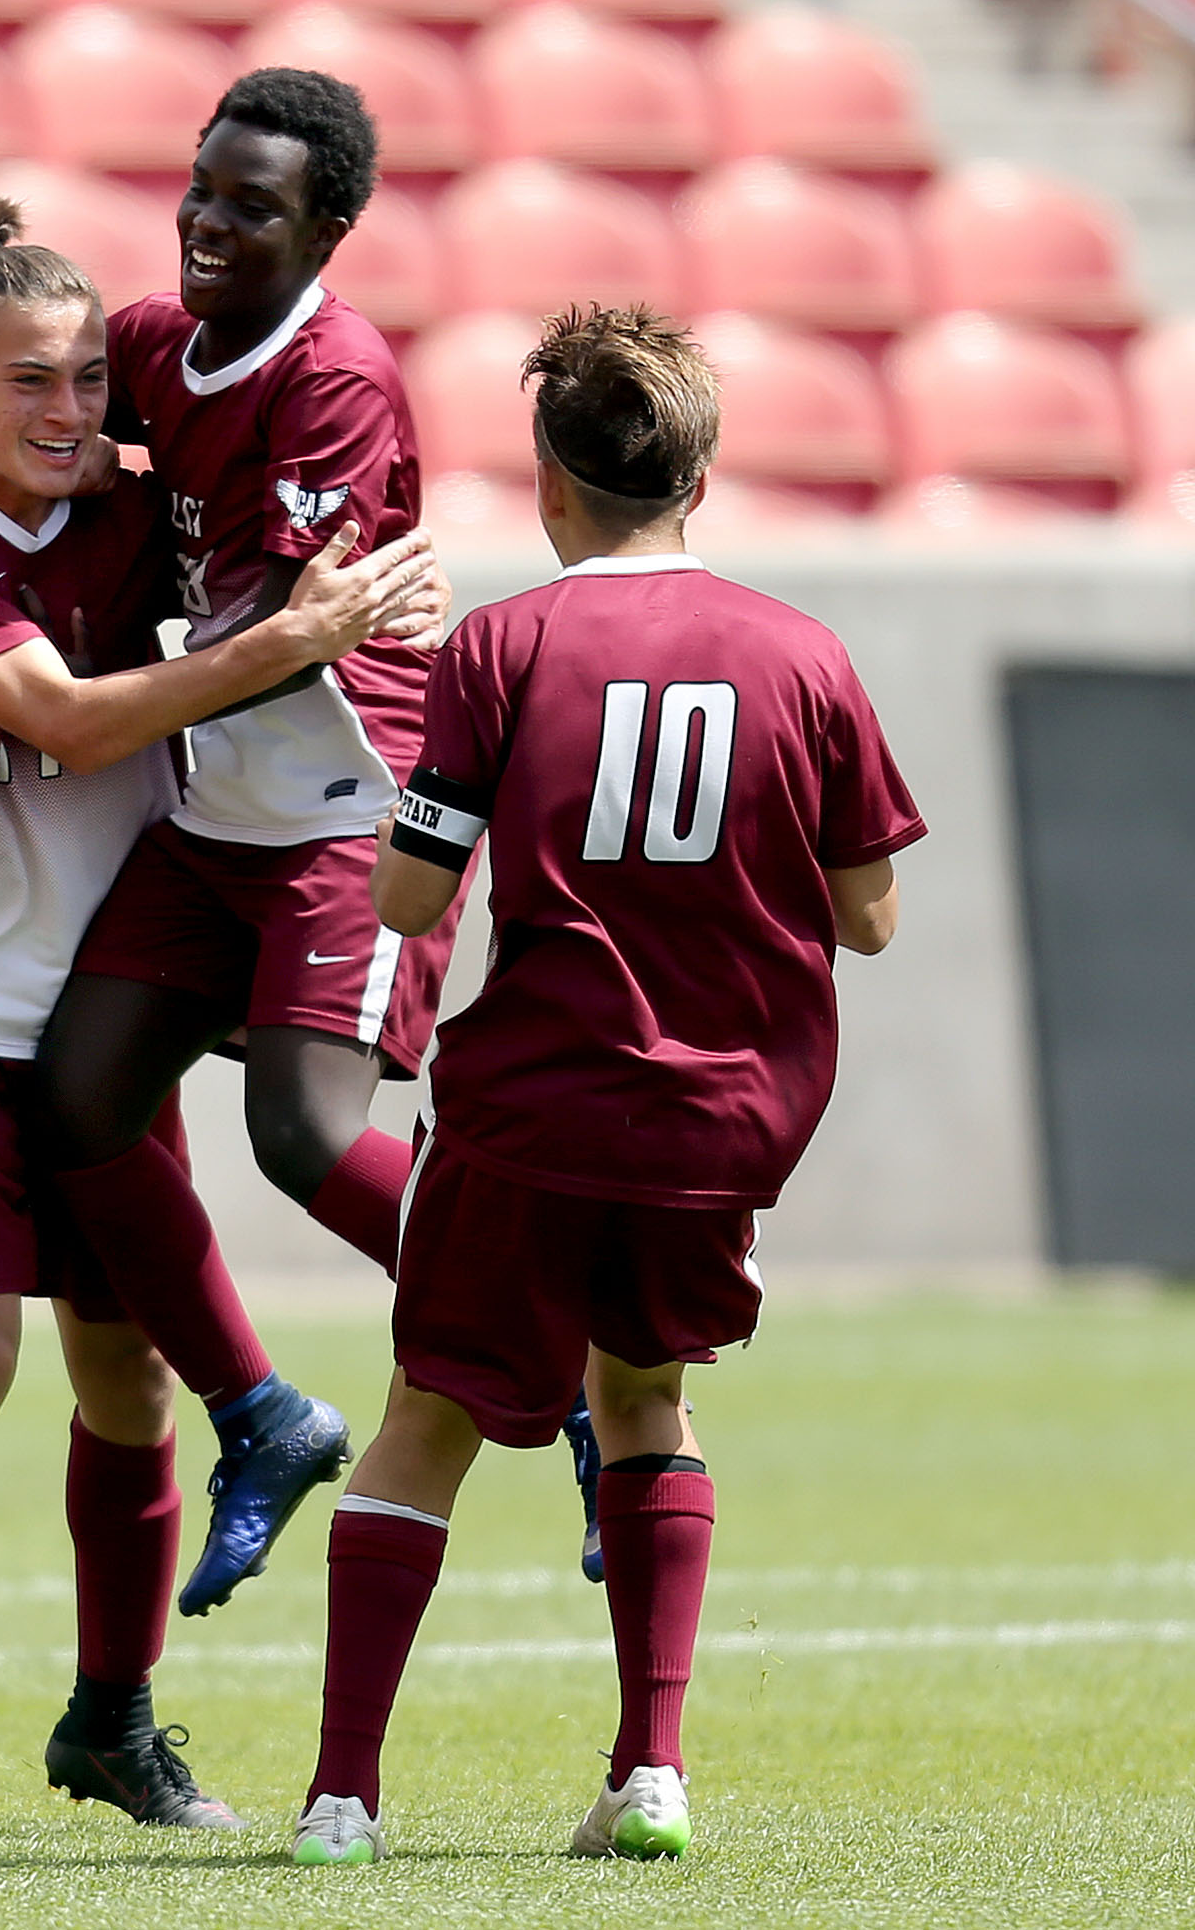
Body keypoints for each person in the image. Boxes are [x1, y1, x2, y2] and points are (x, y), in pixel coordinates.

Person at [291, 305, 924, 1869]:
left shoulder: (505, 644)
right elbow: (870, 917)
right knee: (644, 1400)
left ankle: (343, 1803)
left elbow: (410, 905)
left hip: (535, 1103)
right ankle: (652, 1774)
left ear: (552, 486)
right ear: (698, 474)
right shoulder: (806, 655)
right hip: (721, 1120)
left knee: (426, 1417)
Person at [0, 197, 439, 1832]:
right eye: (28, 382)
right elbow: (72, 725)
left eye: (93, 380)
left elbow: (268, 503)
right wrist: (285, 645)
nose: (70, 414)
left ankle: (115, 1719)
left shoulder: (129, 505)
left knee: (126, 1387)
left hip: (104, 1000)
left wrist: (362, 628)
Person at [28, 65, 471, 1620]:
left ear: (330, 227)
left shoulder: (337, 373)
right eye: (202, 188)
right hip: (223, 808)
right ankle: (264, 1414)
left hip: (355, 798)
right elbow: (7, 418)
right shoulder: (164, 342)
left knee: (298, 1127)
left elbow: (296, 638)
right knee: (78, 1092)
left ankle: (541, 1317)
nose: (208, 223)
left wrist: (117, 648)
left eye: (253, 205)